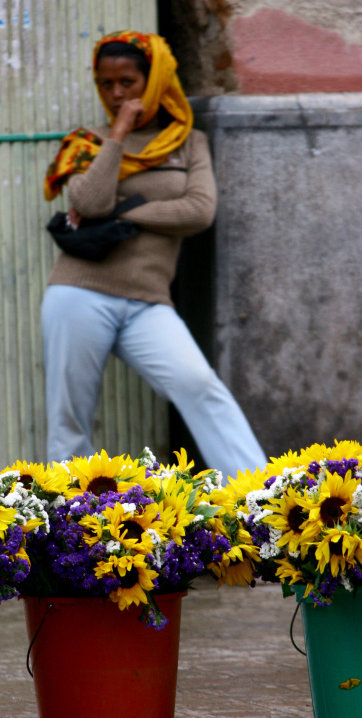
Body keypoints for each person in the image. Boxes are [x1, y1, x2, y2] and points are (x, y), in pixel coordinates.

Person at [41, 30, 266, 480]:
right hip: (80, 293)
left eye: (128, 82)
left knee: (200, 386)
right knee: (70, 419)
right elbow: (89, 204)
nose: (117, 93)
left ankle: (263, 496)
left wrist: (133, 212)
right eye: (106, 85)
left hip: (148, 302)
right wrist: (119, 133)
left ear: (156, 78)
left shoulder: (188, 142)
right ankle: (66, 528)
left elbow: (199, 211)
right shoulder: (88, 141)